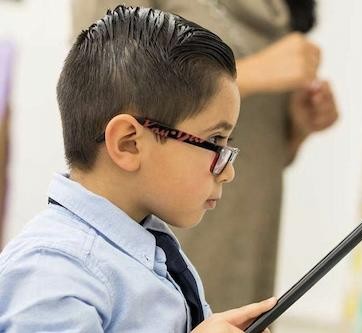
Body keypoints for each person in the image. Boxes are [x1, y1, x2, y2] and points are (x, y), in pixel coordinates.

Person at [0, 6, 275, 332]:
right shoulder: (53, 271)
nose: (227, 171)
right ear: (129, 143)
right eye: (214, 140)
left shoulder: (151, 248)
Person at [71, 0, 339, 311]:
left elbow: (261, 153)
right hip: (171, 240)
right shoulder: (59, 269)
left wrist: (298, 129)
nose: (228, 172)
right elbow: (96, 85)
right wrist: (252, 72)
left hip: (250, 233)